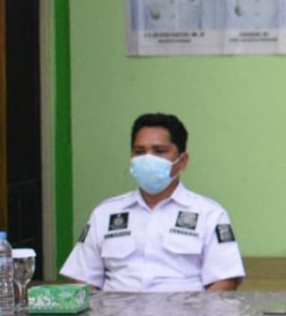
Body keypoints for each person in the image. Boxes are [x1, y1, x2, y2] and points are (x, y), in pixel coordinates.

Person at [61, 113, 244, 291]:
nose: (148, 159)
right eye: (139, 152)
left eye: (159, 151)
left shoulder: (209, 214)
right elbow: (81, 277)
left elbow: (225, 280)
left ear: (182, 161)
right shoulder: (105, 213)